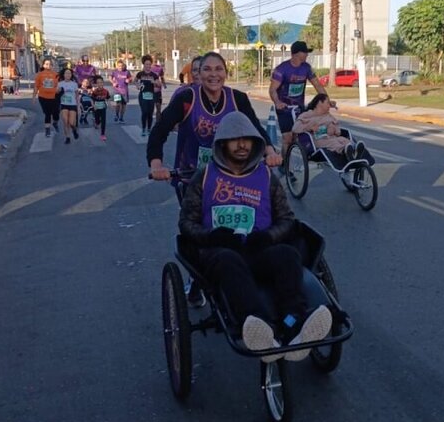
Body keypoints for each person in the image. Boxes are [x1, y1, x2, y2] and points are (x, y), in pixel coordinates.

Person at [176, 111, 332, 360]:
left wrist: (269, 237)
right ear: (223, 143)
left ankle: (293, 323)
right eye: (234, 140)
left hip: (259, 249)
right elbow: (186, 223)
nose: (242, 145)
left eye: (247, 139)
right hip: (221, 252)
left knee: (287, 254)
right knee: (227, 260)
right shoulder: (204, 177)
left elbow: (286, 219)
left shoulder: (267, 176)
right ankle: (262, 329)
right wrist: (212, 236)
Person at [148, 51, 281, 309]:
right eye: (207, 69)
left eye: (218, 69)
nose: (213, 75)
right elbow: (160, 130)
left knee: (247, 220)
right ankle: (200, 279)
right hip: (193, 177)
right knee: (202, 226)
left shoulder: (237, 99)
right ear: (197, 74)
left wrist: (270, 151)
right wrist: (156, 164)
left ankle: (246, 269)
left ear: (226, 73)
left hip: (234, 173)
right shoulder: (187, 99)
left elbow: (255, 128)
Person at [269, 40, 327, 153]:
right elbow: (272, 90)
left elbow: (317, 85)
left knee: (298, 135)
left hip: (299, 107)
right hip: (284, 108)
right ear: (296, 54)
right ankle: (284, 161)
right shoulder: (282, 69)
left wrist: (326, 100)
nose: (307, 54)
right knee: (287, 138)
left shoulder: (306, 68)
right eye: (305, 52)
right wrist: (277, 102)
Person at [292, 94, 374, 168]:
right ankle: (346, 151)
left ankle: (355, 150)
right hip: (317, 140)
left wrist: (335, 130)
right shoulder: (307, 115)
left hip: (331, 137)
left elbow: (337, 129)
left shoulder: (328, 116)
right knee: (333, 143)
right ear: (320, 103)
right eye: (327, 103)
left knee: (343, 140)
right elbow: (295, 128)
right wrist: (310, 127)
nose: (330, 105)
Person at [135, 54, 162, 137]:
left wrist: (155, 82)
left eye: (149, 64)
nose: (148, 66)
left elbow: (159, 84)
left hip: (151, 96)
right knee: (144, 112)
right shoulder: (140, 74)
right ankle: (143, 129)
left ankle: (149, 129)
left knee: (150, 113)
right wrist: (137, 85)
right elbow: (135, 81)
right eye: (146, 64)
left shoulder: (154, 75)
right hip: (142, 96)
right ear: (144, 64)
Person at [32, 58, 60, 137]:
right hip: (43, 97)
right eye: (47, 64)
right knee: (47, 113)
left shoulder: (55, 74)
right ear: (43, 65)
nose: (48, 66)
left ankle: (55, 123)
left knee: (56, 113)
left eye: (50, 64)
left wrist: (58, 90)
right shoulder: (39, 75)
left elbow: (59, 85)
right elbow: (36, 86)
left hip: (54, 97)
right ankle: (47, 130)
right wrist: (34, 97)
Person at [57, 66, 80, 143]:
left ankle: (74, 130)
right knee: (65, 121)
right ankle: (67, 137)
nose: (68, 75)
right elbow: (56, 93)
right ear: (63, 75)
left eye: (69, 73)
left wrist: (78, 106)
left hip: (72, 104)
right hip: (64, 104)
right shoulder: (60, 84)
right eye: (66, 73)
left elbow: (77, 95)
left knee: (71, 122)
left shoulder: (74, 84)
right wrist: (58, 91)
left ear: (71, 75)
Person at [92, 74, 111, 141]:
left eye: (101, 82)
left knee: (103, 121)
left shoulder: (106, 91)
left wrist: (110, 105)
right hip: (96, 108)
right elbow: (92, 99)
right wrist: (93, 106)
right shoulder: (94, 91)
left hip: (103, 107)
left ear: (103, 83)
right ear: (96, 84)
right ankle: (96, 122)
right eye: (98, 83)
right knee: (97, 120)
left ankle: (103, 134)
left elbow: (108, 98)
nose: (100, 84)